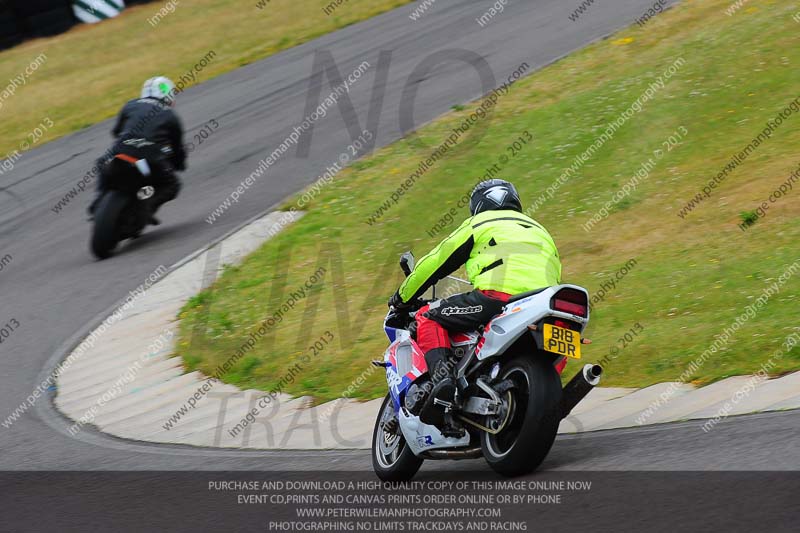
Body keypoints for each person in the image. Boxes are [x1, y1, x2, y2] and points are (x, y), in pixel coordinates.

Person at [388, 179, 562, 436]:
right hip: (546, 303)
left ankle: (442, 382)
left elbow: (435, 263)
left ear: (478, 205)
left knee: (428, 317)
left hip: (498, 297)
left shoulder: (480, 223)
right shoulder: (540, 230)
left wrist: (401, 299)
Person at [88, 76, 186, 223]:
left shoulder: (130, 105)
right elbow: (177, 149)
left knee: (102, 163)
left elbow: (116, 131)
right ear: (168, 94)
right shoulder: (170, 115)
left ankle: (98, 199)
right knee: (173, 184)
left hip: (120, 152)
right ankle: (147, 207)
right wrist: (179, 164)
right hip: (150, 159)